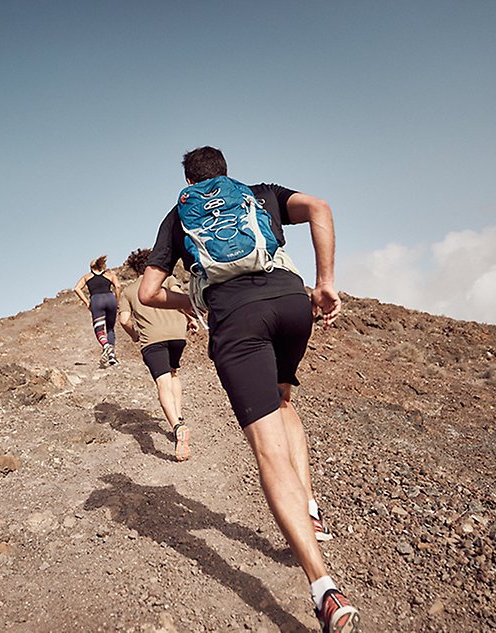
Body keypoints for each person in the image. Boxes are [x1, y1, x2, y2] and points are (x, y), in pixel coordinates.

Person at [138, 146, 359, 633]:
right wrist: (325, 284)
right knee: (284, 399)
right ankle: (311, 508)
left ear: (187, 180)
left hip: (237, 319)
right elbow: (320, 207)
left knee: (267, 452)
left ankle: (324, 588)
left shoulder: (178, 217)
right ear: (225, 171)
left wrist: (192, 301)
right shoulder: (261, 194)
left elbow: (146, 293)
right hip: (290, 302)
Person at [118, 248, 198, 462]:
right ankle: (180, 416)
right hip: (176, 334)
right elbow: (180, 298)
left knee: (162, 383)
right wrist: (191, 318)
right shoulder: (169, 278)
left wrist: (135, 334)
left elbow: (124, 320)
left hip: (152, 340)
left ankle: (177, 427)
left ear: (135, 269)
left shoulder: (128, 291)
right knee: (173, 374)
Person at [74, 256, 122, 367]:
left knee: (99, 330)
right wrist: (117, 301)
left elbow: (77, 288)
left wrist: (87, 302)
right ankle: (112, 357)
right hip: (110, 299)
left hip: (96, 300)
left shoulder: (87, 277)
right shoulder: (110, 275)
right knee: (110, 328)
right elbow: (118, 286)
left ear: (91, 268)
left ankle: (106, 346)